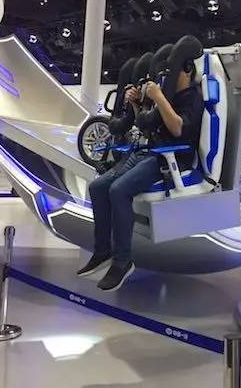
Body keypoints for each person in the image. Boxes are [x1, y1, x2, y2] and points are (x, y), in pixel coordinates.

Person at [78, 36, 204, 292]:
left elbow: (178, 129)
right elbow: (145, 123)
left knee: (118, 190)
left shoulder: (192, 97)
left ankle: (122, 261)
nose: (166, 79)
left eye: (171, 73)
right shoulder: (169, 95)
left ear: (187, 70)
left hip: (167, 158)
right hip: (147, 151)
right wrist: (136, 104)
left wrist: (159, 98)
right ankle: (102, 251)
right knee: (98, 187)